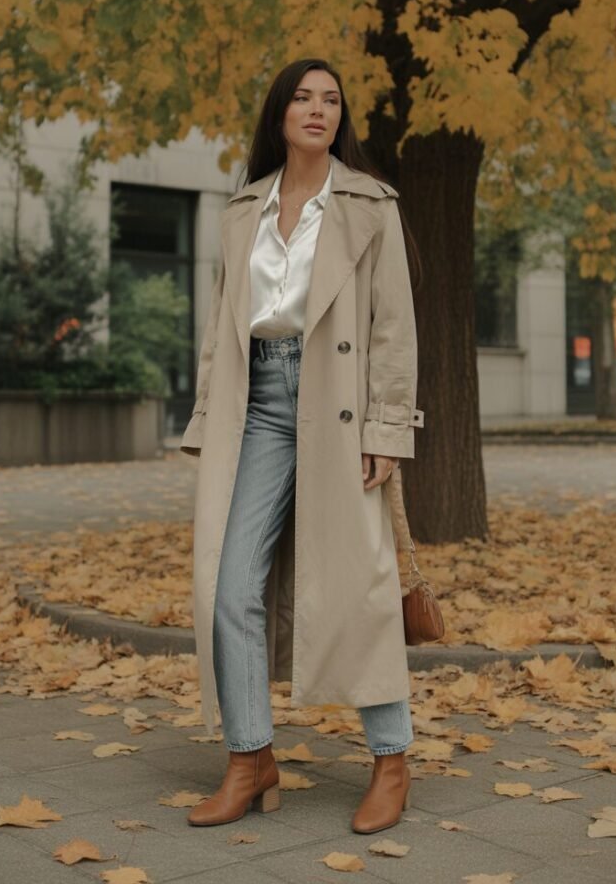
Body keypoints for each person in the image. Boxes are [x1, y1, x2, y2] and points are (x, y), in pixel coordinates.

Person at [180, 58, 425, 833]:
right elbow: (222, 326)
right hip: (257, 406)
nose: (317, 110)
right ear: (279, 114)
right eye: (302, 98)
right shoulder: (242, 209)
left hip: (340, 405)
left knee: (360, 586)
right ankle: (249, 758)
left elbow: (393, 325)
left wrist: (387, 429)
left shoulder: (367, 204)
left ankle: (391, 761)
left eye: (330, 100)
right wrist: (205, 419)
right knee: (228, 585)